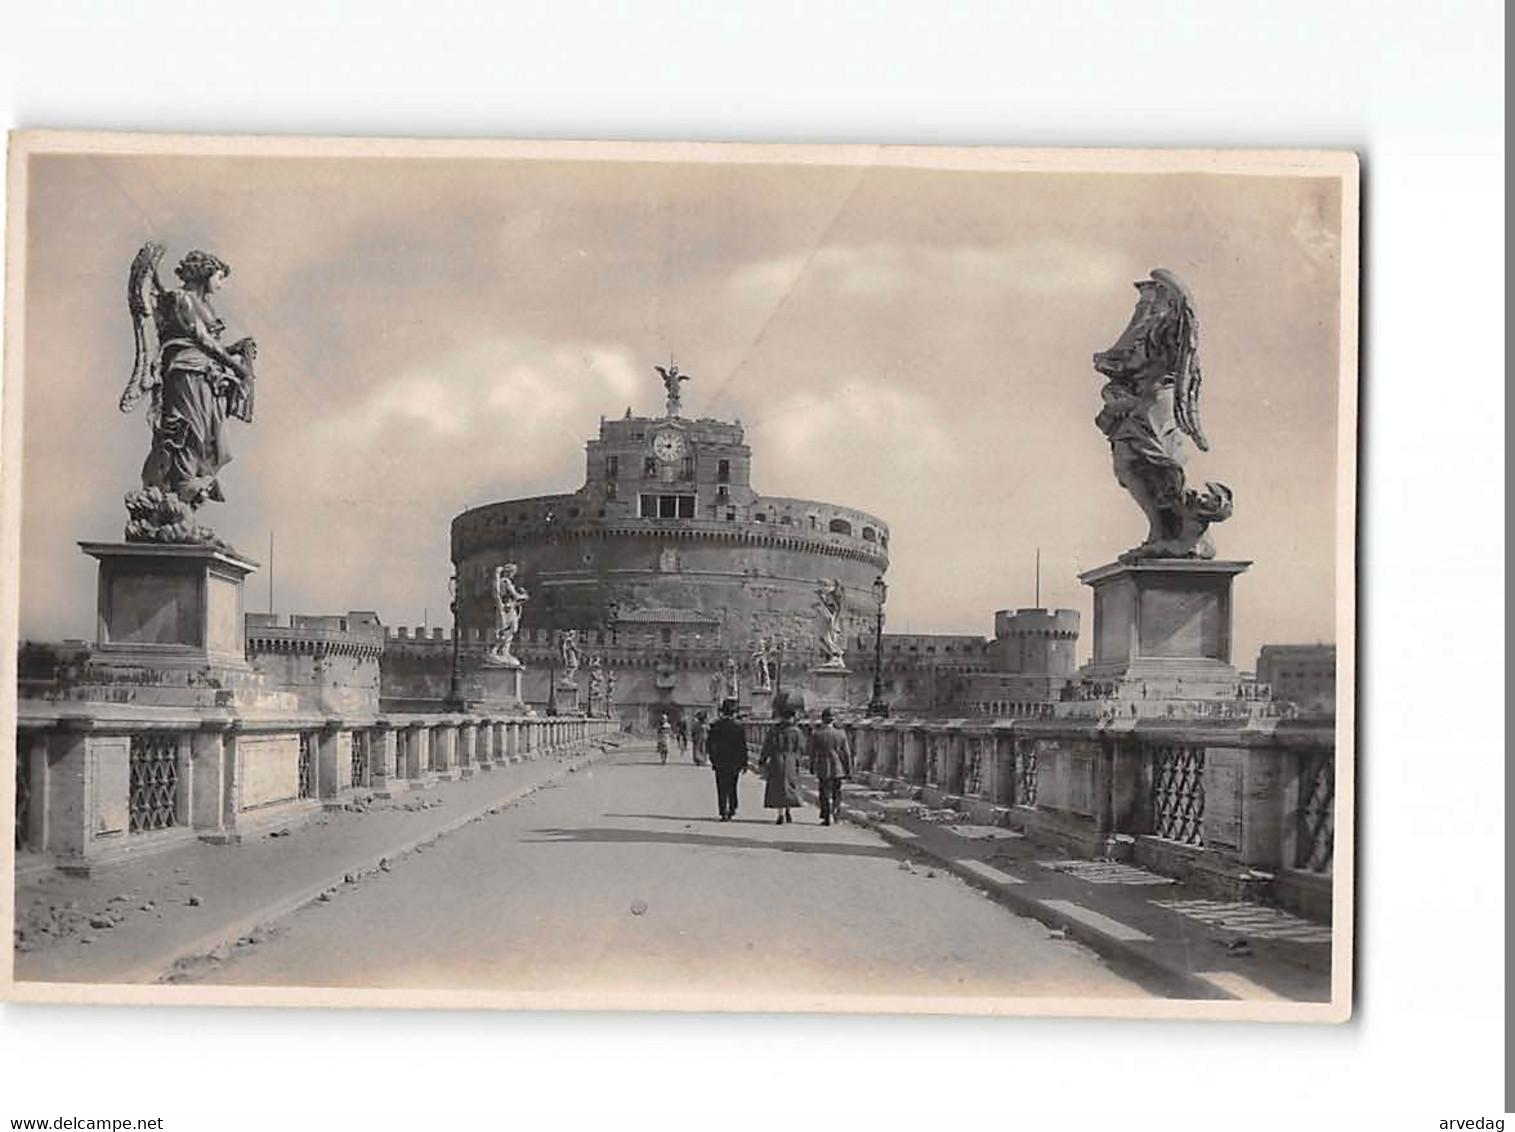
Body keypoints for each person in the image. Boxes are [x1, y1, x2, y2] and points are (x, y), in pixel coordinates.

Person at [758, 694, 806, 825]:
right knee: (789, 786)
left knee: (778, 787)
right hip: (791, 760)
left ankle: (780, 814)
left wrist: (762, 760)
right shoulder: (796, 731)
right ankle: (788, 810)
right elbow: (801, 748)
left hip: (776, 759)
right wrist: (798, 760)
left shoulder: (774, 730)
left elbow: (767, 747)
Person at [806, 708, 853, 826]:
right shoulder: (841, 734)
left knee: (824, 793)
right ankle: (836, 814)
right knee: (837, 792)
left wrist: (811, 767)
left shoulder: (816, 734)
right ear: (833, 720)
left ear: (822, 719)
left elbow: (812, 753)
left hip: (823, 767)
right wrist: (848, 770)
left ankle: (826, 816)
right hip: (838, 767)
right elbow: (847, 754)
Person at [705, 699, 748, 821]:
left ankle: (723, 811)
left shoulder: (716, 725)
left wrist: (713, 758)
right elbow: (742, 746)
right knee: (733, 785)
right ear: (734, 712)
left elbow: (710, 744)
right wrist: (744, 762)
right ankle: (733, 807)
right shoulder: (739, 726)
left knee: (721, 786)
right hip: (735, 761)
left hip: (720, 760)